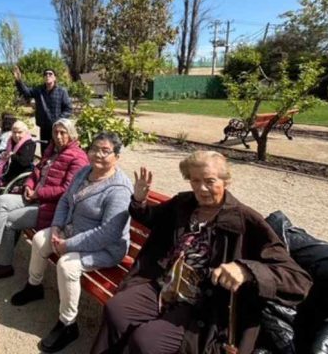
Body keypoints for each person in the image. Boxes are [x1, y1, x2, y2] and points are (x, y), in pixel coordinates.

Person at [91, 150, 313, 354]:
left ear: (226, 181)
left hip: (202, 305)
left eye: (210, 181)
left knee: (146, 340)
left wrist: (247, 270)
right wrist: (139, 200)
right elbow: (151, 218)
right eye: (195, 181)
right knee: (117, 309)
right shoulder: (184, 203)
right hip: (164, 284)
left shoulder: (244, 220)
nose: (201, 188)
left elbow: (298, 279)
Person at [10, 132, 133, 353]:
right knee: (40, 239)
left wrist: (69, 244)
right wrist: (56, 227)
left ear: (117, 156)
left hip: (107, 247)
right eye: (94, 148)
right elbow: (66, 201)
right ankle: (34, 286)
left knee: (67, 265)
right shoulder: (85, 171)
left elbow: (108, 233)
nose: (98, 154)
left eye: (105, 151)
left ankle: (68, 324)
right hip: (69, 231)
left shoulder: (119, 189)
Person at [0, 118, 89, 279]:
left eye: (62, 133)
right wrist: (29, 185)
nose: (58, 136)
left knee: (9, 221)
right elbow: (36, 171)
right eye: (55, 132)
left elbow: (67, 190)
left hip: (51, 208)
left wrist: (38, 194)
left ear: (71, 135)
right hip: (34, 196)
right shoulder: (52, 150)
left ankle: (4, 265)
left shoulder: (78, 158)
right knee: (2, 200)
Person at [12, 66, 72, 145]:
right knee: (44, 150)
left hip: (57, 128)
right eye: (45, 74)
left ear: (55, 78)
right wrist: (18, 80)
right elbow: (26, 92)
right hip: (43, 127)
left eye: (50, 74)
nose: (47, 75)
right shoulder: (39, 90)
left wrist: (58, 121)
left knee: (57, 150)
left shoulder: (62, 91)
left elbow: (68, 109)